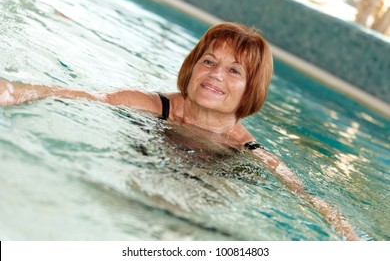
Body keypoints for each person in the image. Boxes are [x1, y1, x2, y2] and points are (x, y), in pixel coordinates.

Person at [0, 22, 359, 240]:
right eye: (209, 61)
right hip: (134, 185)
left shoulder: (250, 151)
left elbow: (308, 197)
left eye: (235, 71)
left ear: (251, 90)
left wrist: (350, 237)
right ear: (192, 68)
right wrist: (16, 91)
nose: (217, 74)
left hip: (194, 208)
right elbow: (89, 97)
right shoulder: (156, 106)